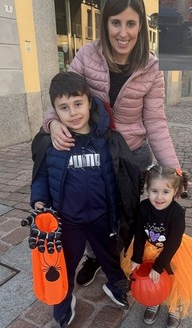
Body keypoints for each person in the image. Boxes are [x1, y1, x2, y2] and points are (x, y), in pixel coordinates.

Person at [42, 0, 180, 288]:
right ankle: (94, 256)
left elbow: (156, 122)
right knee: (91, 211)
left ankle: (118, 260)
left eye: (131, 24)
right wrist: (52, 122)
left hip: (132, 154)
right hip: (93, 152)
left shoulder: (152, 68)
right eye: (116, 22)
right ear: (105, 23)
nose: (123, 32)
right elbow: (62, 96)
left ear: (140, 26)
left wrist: (175, 170)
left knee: (125, 216)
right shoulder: (87, 55)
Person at [31, 72, 139, 327]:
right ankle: (63, 297)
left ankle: (114, 284)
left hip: (102, 216)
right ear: (56, 112)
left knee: (110, 255)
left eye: (78, 104)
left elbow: (123, 174)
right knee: (66, 262)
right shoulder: (54, 145)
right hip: (69, 220)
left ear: (89, 102)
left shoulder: (107, 141)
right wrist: (39, 200)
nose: (73, 112)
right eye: (64, 108)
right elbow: (42, 176)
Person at [123, 165, 192, 328]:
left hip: (173, 252)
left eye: (165, 192)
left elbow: (173, 242)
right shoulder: (143, 207)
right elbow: (139, 233)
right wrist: (137, 257)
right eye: (154, 191)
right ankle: (155, 299)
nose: (159, 197)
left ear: (175, 191)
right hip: (149, 249)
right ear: (147, 189)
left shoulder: (177, 213)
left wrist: (159, 266)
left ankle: (175, 307)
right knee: (152, 279)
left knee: (177, 281)